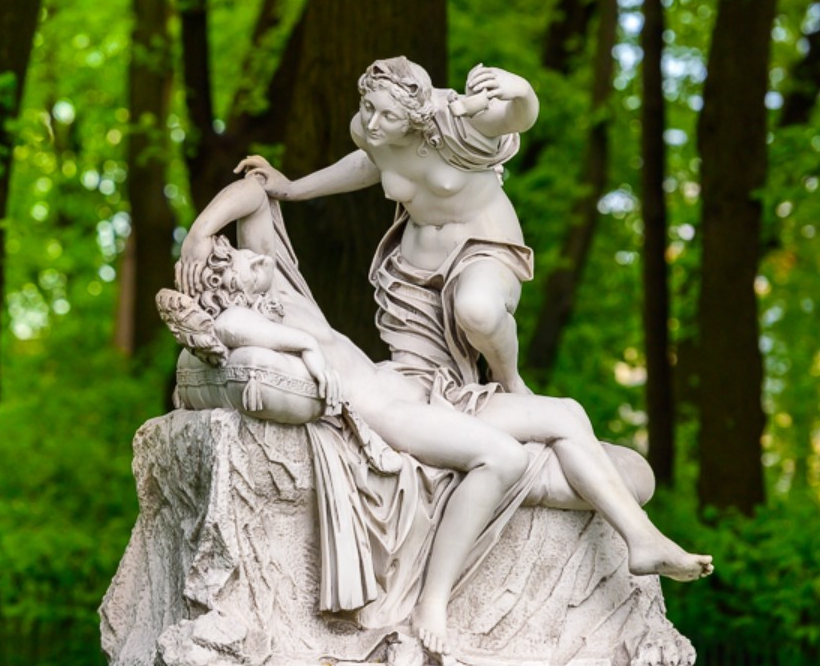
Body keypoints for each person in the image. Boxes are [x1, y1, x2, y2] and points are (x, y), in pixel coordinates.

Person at [170, 176, 713, 657]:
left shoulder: (280, 289)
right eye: (235, 260)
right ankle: (432, 602)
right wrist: (306, 349)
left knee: (567, 413)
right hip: (389, 413)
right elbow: (230, 331)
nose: (253, 257)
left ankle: (642, 540)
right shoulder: (244, 316)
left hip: (424, 390)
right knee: (500, 458)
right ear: (225, 286)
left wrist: (199, 233)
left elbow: (253, 193)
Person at [235, 56, 539, 399]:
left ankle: (510, 382)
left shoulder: (456, 124)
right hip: (414, 269)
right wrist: (293, 188)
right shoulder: (368, 131)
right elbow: (371, 164)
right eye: (368, 107)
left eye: (388, 116)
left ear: (413, 117)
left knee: (478, 311)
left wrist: (522, 91)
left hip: (481, 244)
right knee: (418, 388)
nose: (373, 123)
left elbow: (518, 118)